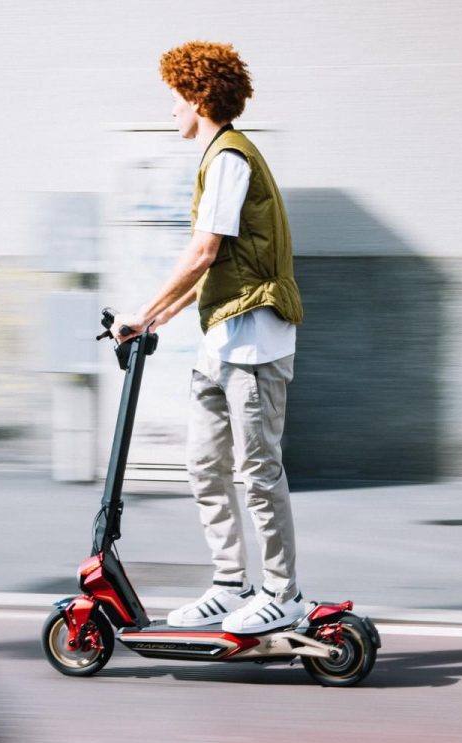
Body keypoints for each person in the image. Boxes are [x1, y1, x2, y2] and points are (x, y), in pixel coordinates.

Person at [113, 41, 305, 635]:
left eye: (175, 98)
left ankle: (282, 592)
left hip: (255, 343)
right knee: (203, 464)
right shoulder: (216, 157)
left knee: (257, 469)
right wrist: (158, 317)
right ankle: (230, 583)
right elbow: (218, 265)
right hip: (220, 339)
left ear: (199, 97)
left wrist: (143, 309)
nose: (172, 110)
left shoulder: (229, 158)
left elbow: (205, 250)